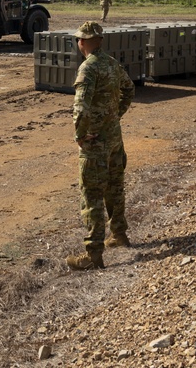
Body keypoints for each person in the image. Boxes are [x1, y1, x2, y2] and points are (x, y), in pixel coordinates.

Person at [66, 21, 135, 271]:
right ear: (100, 41)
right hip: (115, 138)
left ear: (82, 42)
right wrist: (114, 116)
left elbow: (81, 108)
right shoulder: (111, 63)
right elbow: (129, 89)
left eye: (78, 40)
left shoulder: (88, 69)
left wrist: (81, 136)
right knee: (115, 187)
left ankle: (93, 254)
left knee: (92, 195)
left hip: (95, 143)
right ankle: (118, 234)